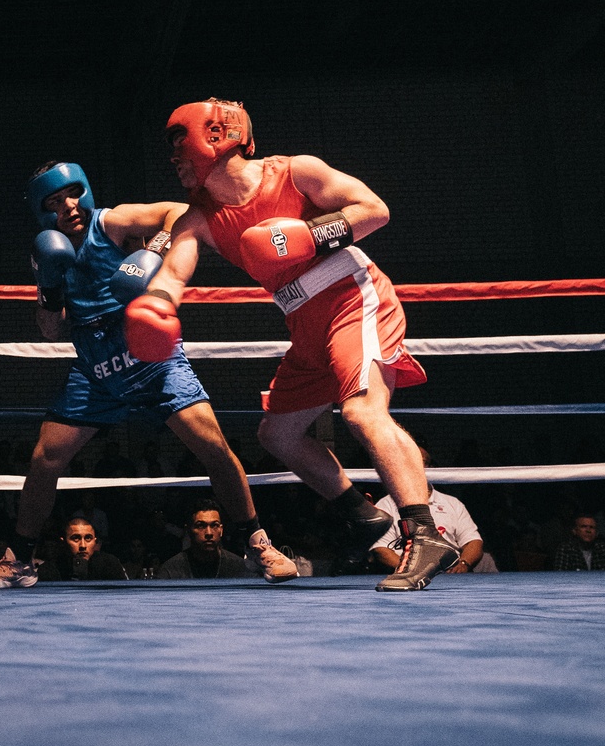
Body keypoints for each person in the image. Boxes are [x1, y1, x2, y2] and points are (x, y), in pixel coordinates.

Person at [125, 97, 459, 593]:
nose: (173, 159)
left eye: (180, 144)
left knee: (363, 413)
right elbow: (175, 272)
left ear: (215, 137)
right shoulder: (199, 218)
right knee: (277, 434)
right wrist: (155, 306)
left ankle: (426, 532)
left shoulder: (295, 171)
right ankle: (362, 515)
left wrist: (306, 235)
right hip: (302, 318)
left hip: (352, 296)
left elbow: (375, 209)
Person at [0, 159, 297, 588]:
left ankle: (257, 544)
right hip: (96, 369)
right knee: (44, 458)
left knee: (213, 446)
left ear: (84, 191)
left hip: (150, 357)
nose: (68, 206)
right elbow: (51, 329)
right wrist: (50, 288)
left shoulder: (111, 222)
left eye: (72, 194)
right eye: (55, 202)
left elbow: (178, 213)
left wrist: (152, 252)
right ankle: (19, 560)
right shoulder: (48, 253)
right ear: (42, 211)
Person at [371, 448, 486, 575]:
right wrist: (413, 571)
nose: (414, 466)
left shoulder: (452, 503)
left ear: (430, 467)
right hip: (405, 575)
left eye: (420, 462)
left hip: (451, 575)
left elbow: (473, 541)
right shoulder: (386, 504)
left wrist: (464, 564)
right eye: (408, 461)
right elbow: (380, 549)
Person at [154, 499, 249, 579]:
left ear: (221, 530)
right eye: (200, 526)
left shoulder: (239, 567)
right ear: (188, 530)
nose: (209, 533)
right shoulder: (171, 570)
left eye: (214, 525)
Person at [37, 515, 127, 581]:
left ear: (95, 541)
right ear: (63, 542)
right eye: (76, 538)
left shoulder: (109, 564)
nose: (83, 546)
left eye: (88, 538)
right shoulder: (50, 568)